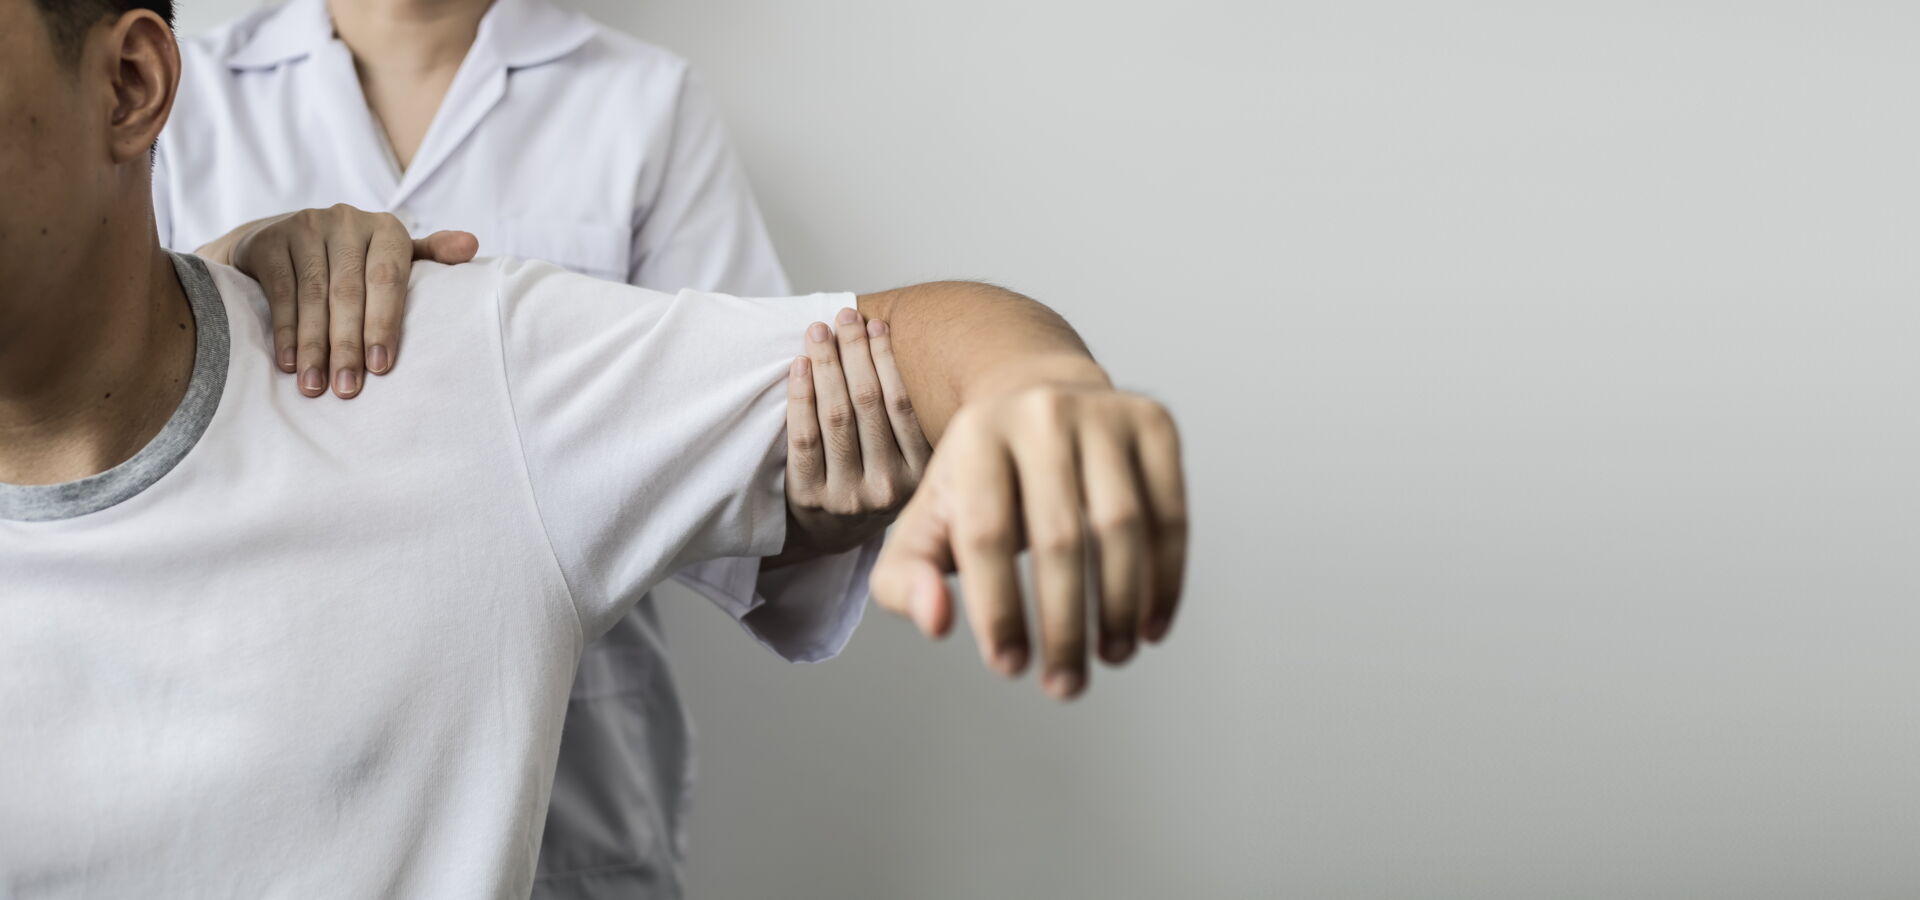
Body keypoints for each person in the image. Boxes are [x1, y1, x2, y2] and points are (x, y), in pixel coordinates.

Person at [0, 0, 1188, 896]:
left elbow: (795, 414)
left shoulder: (612, 145)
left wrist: (989, 405)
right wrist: (231, 266)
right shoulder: (185, 82)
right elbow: (109, 334)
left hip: (572, 790)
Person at [152, 1, 934, 894]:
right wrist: (230, 260)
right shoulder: (182, 96)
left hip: (574, 815)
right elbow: (101, 424)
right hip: (253, 770)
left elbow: (759, 465)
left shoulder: (642, 101)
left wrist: (821, 500)